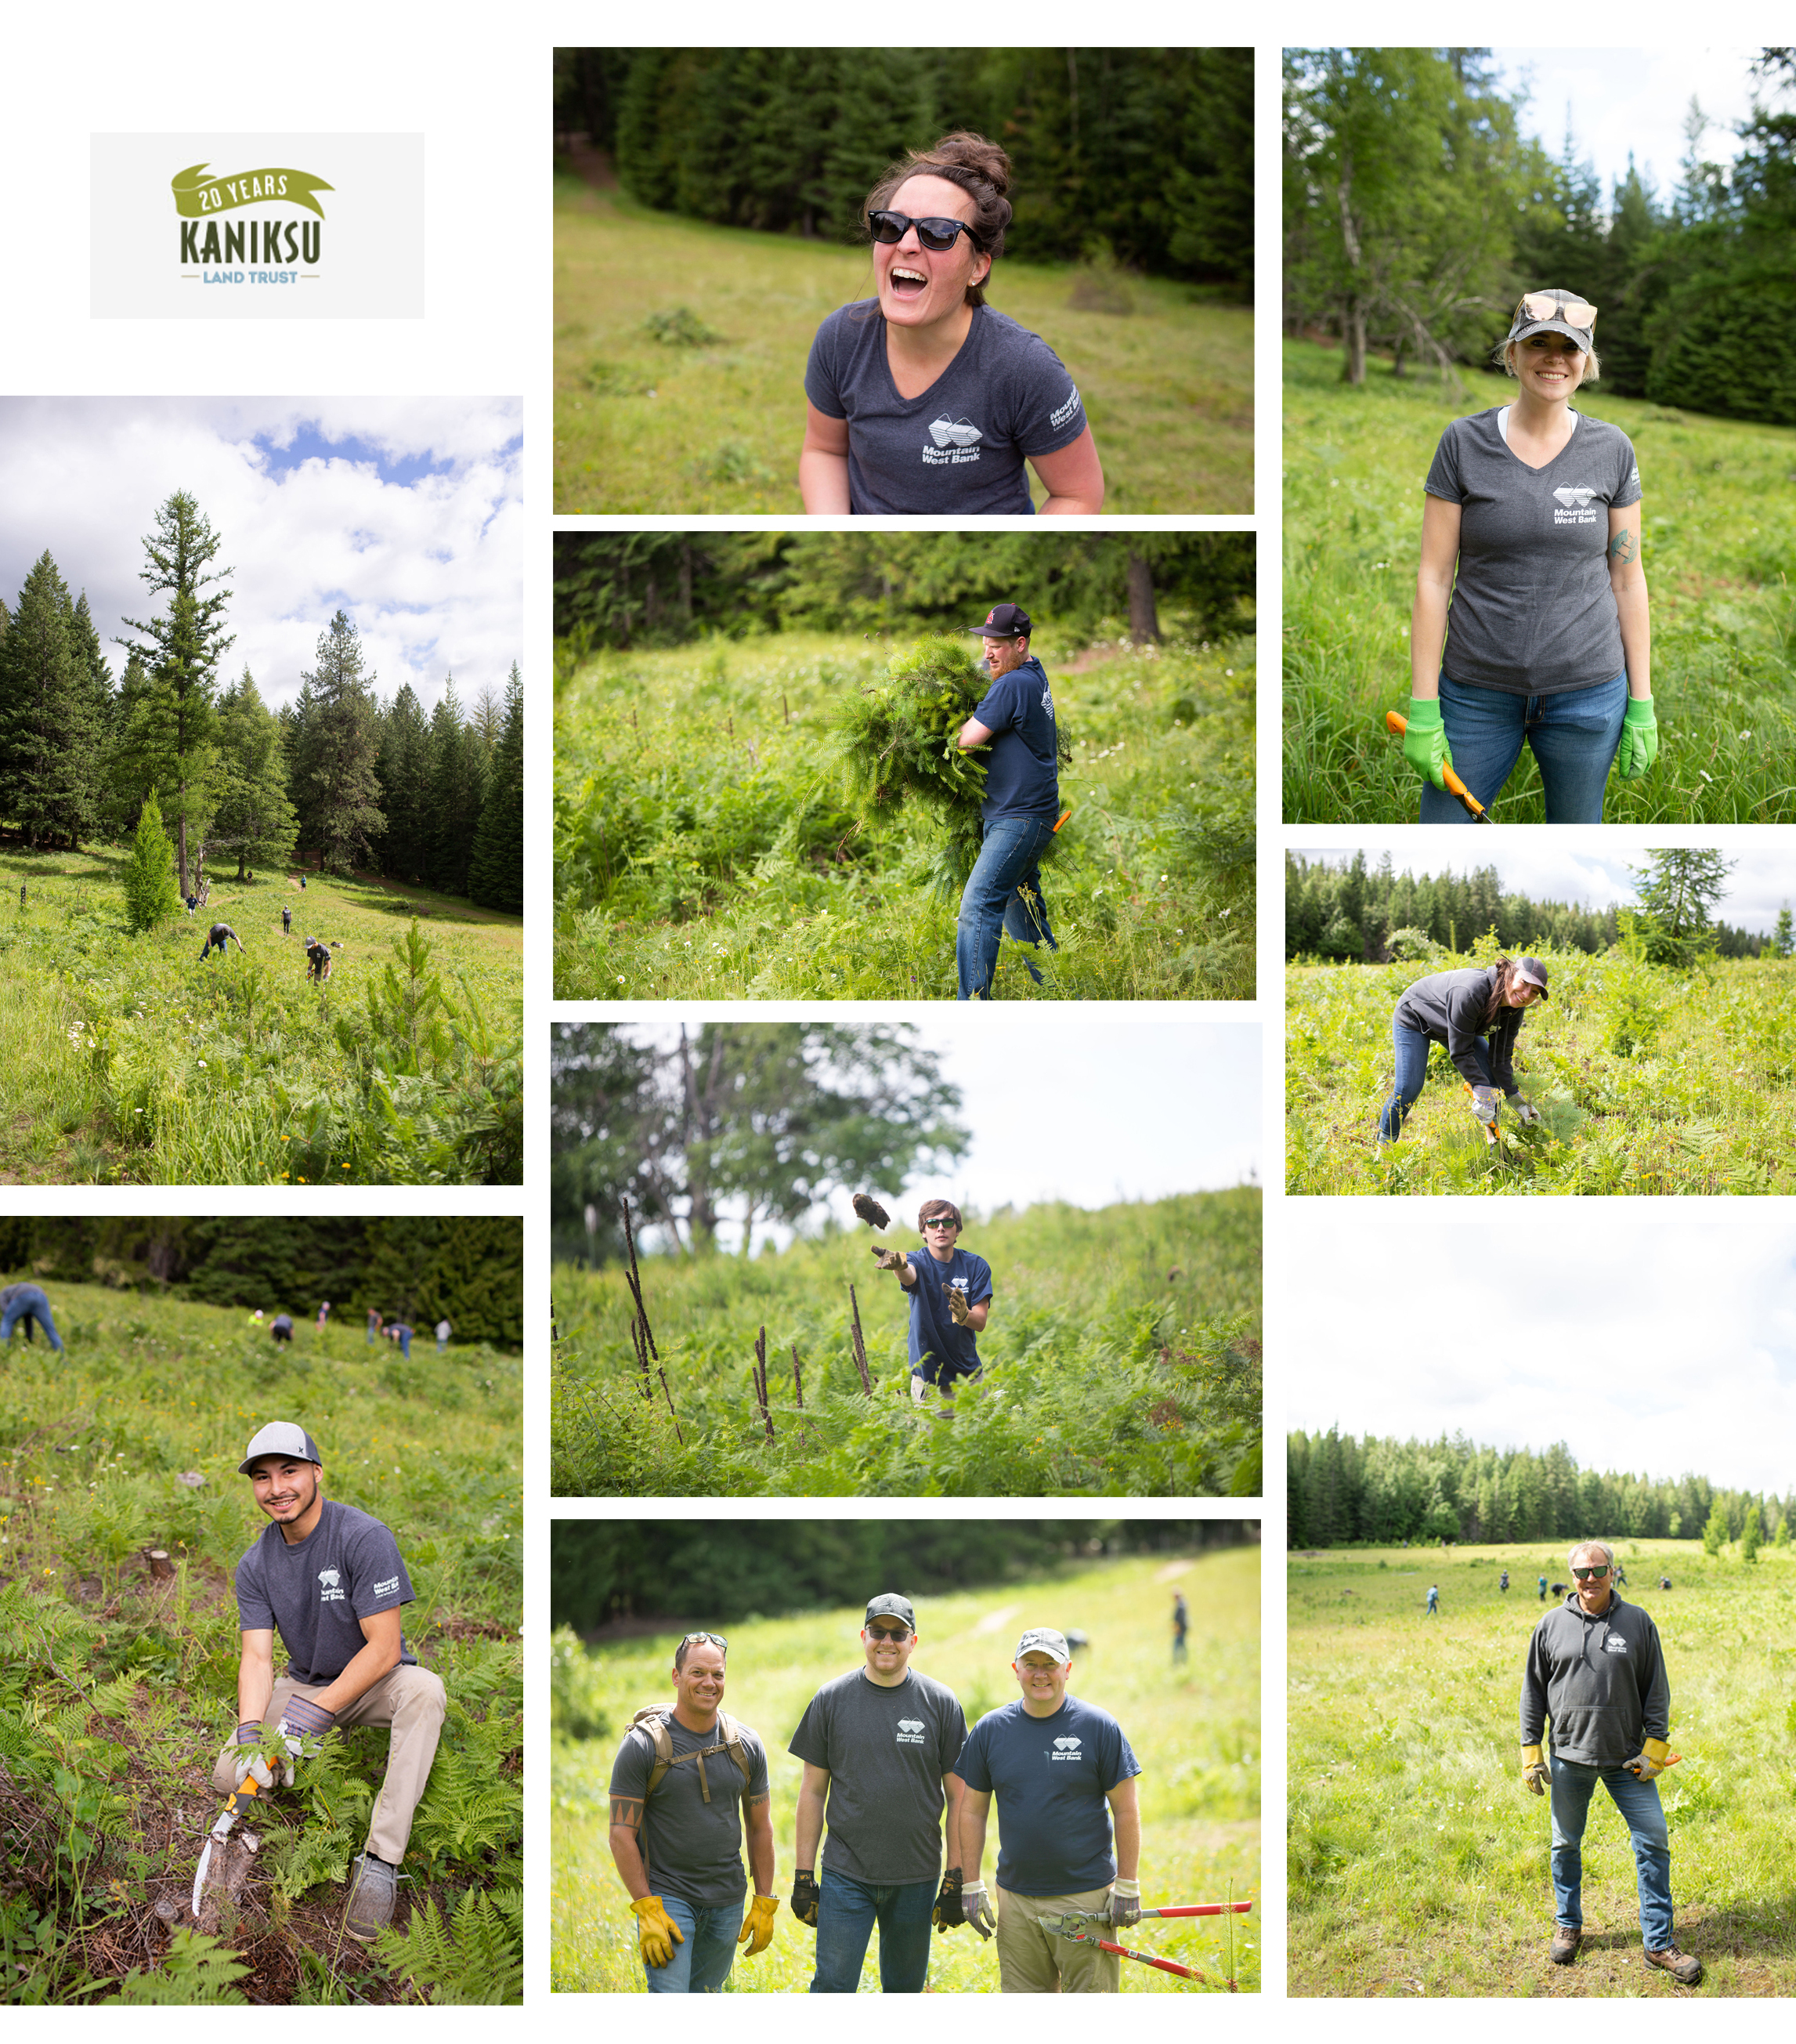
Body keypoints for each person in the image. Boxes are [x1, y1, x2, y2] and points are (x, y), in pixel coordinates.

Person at [1404, 289, 1654, 825]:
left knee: (1576, 832)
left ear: (1585, 363)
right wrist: (1424, 707)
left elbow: (1627, 579)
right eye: (1537, 343)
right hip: (1475, 694)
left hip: (1588, 697)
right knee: (1441, 835)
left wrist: (1642, 701)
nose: (1553, 358)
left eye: (1569, 348)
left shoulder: (1612, 449)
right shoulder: (1462, 443)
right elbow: (1432, 576)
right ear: (1511, 355)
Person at [215, 1422, 446, 1942]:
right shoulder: (255, 1563)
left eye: (290, 1471)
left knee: (426, 1691)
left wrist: (317, 1714)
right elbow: (256, 1656)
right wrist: (253, 1732)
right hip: (304, 1684)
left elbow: (385, 1647)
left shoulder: (363, 1537)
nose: (277, 1487)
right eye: (262, 1477)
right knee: (231, 1774)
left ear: (316, 1472)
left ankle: (382, 1859)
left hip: (375, 1681)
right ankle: (295, 1765)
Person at [800, 133, 1103, 516]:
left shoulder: (1024, 368)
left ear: (978, 266)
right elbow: (824, 450)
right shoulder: (841, 338)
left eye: (938, 232)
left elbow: (1078, 495)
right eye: (893, 225)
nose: (907, 244)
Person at [1520, 1539, 1700, 1984]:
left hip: (1628, 1762)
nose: (1590, 1579)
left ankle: (1658, 1943)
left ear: (1612, 1572)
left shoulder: (1638, 1623)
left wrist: (1655, 1751)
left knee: (1654, 1840)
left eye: (1598, 1570)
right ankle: (1569, 1924)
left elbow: (1657, 1690)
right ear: (1572, 1576)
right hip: (1568, 1759)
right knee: (1564, 1844)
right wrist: (1531, 1752)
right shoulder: (1549, 1626)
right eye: (1581, 1572)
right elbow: (1533, 1693)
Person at [788, 1593, 968, 1994]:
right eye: (878, 1632)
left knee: (904, 1991)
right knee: (833, 1986)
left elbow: (961, 1798)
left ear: (913, 1641)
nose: (887, 1642)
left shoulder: (941, 1703)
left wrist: (957, 1878)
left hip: (917, 1876)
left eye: (898, 1634)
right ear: (863, 1636)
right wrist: (803, 1875)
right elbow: (813, 1792)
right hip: (845, 1874)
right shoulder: (831, 1699)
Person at [951, 1626, 1143, 1994]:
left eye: (1050, 1665)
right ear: (1016, 1668)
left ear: (1068, 1669)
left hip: (1084, 1896)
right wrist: (971, 1883)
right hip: (1017, 1900)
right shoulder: (991, 1729)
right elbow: (971, 1810)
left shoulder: (1098, 1726)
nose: (1040, 1673)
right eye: (1031, 1664)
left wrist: (1128, 1885)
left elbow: (1127, 1810)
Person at [608, 1632, 778, 1994]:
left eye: (717, 1674)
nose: (709, 1683)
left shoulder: (745, 1744)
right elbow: (620, 1833)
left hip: (727, 1901)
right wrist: (647, 1907)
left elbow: (760, 1827)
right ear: (676, 1676)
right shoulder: (642, 1746)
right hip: (668, 1898)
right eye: (697, 1672)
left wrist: (764, 1901)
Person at [955, 602, 1062, 1000]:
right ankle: (1059, 994)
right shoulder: (1033, 672)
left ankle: (973, 1003)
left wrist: (955, 721)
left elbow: (965, 743)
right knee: (1025, 919)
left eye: (997, 645)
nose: (988, 653)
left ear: (1020, 644)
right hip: (1030, 815)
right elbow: (988, 671)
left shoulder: (1011, 685)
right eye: (985, 643)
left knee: (979, 905)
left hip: (1019, 819)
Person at [1377, 956, 1549, 1144]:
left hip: (1456, 1026)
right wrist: (1479, 1086)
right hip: (1415, 1017)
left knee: (1491, 1080)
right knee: (1408, 1089)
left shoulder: (1515, 1007)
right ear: (1510, 973)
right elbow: (1460, 1050)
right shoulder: (1472, 991)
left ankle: (1496, 1146)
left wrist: (1516, 1100)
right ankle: (1385, 1148)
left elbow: (1500, 1058)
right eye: (1524, 984)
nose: (1526, 995)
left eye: (1534, 992)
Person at [874, 1199, 992, 1405]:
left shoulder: (976, 1266)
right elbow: (909, 1275)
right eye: (932, 1223)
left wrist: (964, 1315)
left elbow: (980, 1322)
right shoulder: (916, 1260)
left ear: (957, 1230)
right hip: (930, 1384)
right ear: (923, 1231)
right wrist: (899, 1268)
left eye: (947, 1223)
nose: (940, 1228)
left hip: (971, 1381)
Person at [0, 1281, 65, 1352]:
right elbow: (28, 1320)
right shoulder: (13, 1289)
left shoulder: (2, 1295)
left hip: (23, 1296)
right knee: (50, 1330)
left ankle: (3, 1351)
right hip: (41, 1295)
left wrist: (13, 1323)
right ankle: (62, 1357)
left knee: (7, 1322)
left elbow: (6, 1313)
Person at [1171, 1591, 1189, 1666]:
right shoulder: (1182, 1603)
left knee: (1177, 1646)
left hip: (1181, 1629)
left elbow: (1180, 1619)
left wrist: (1178, 1628)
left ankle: (1178, 1661)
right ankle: (1183, 1660)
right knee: (1182, 1645)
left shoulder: (1181, 1605)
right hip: (1181, 1628)